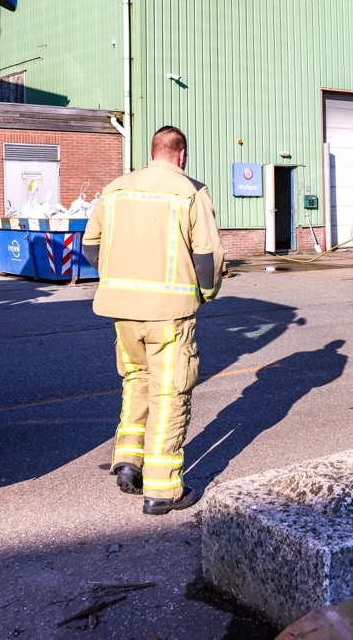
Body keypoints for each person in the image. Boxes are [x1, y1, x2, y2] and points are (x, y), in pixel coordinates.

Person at [81, 126, 224, 515]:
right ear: (181, 155)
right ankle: (163, 490)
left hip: (121, 310)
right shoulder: (190, 191)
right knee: (169, 392)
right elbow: (208, 259)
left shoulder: (114, 189)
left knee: (136, 381)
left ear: (153, 151)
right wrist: (205, 294)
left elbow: (90, 246)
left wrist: (119, 280)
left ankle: (128, 460)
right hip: (168, 312)